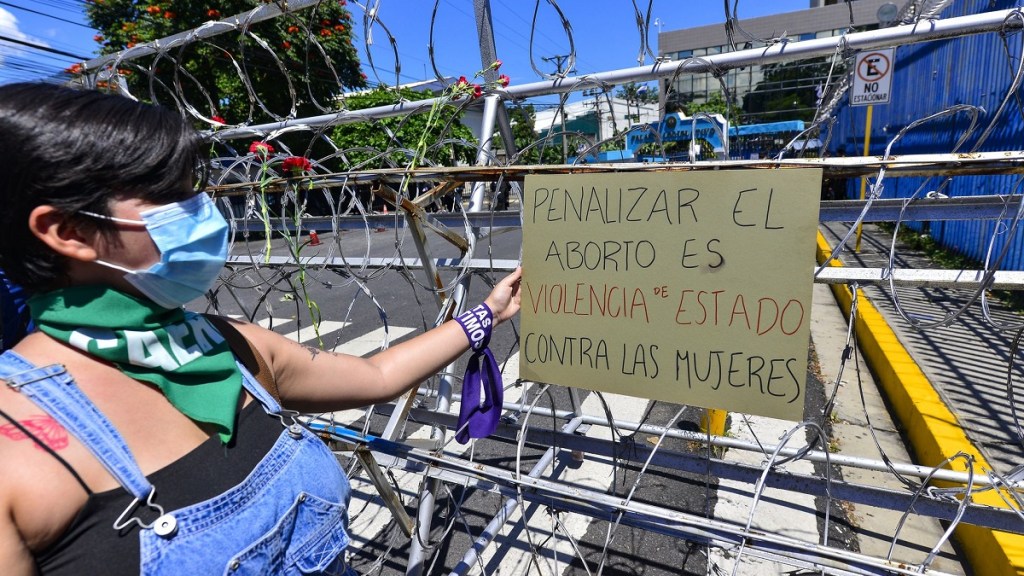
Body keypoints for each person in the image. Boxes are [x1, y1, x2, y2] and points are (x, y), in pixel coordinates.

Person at [0, 83, 522, 575]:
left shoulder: (225, 344)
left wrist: (488, 314)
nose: (203, 213)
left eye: (194, 192)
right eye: (169, 197)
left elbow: (376, 375)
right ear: (68, 231)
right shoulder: (16, 447)